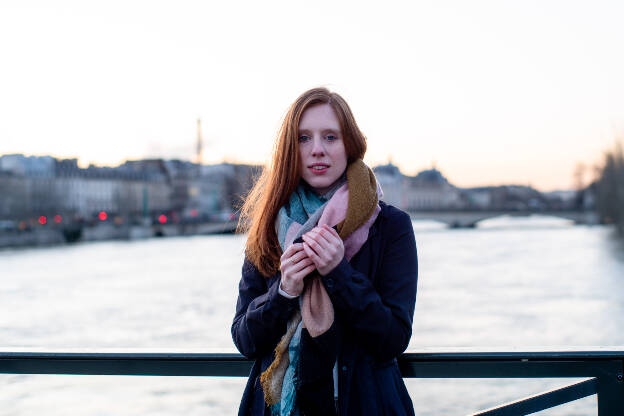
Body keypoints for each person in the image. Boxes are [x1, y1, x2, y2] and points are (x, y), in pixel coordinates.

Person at [232, 87, 418, 416]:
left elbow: (393, 338)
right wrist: (284, 291)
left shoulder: (390, 227)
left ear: (350, 145)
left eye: (330, 137)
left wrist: (338, 273)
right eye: (304, 138)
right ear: (291, 149)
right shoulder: (267, 228)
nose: (317, 150)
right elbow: (245, 340)